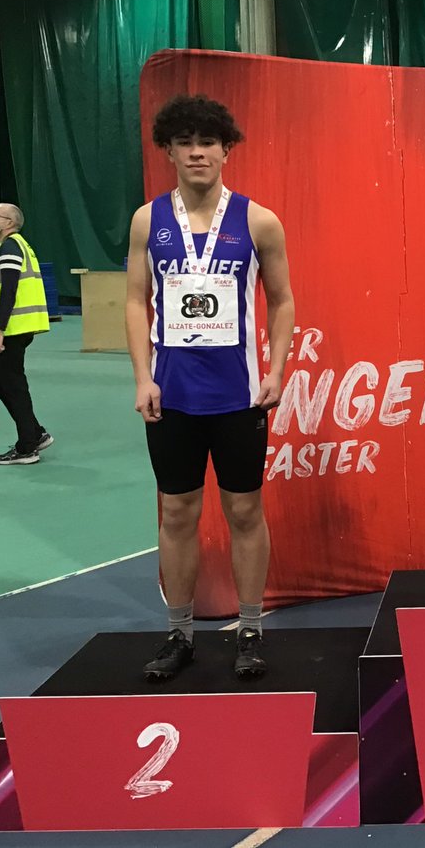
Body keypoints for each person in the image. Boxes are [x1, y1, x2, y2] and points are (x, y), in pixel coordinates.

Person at [125, 95, 295, 681]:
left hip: (239, 397)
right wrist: (142, 377)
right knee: (177, 512)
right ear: (168, 151)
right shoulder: (147, 221)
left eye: (208, 142)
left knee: (244, 509)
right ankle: (180, 633)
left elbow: (282, 300)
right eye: (185, 142)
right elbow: (135, 301)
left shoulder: (258, 221)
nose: (197, 152)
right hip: (172, 396)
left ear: (226, 150)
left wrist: (275, 371)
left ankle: (250, 629)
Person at [0, 203, 53, 465]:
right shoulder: (12, 246)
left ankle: (27, 447)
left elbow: (9, 290)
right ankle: (35, 432)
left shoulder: (11, 247)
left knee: (11, 384)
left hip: (13, 328)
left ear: (9, 222)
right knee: (0, 380)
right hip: (17, 327)